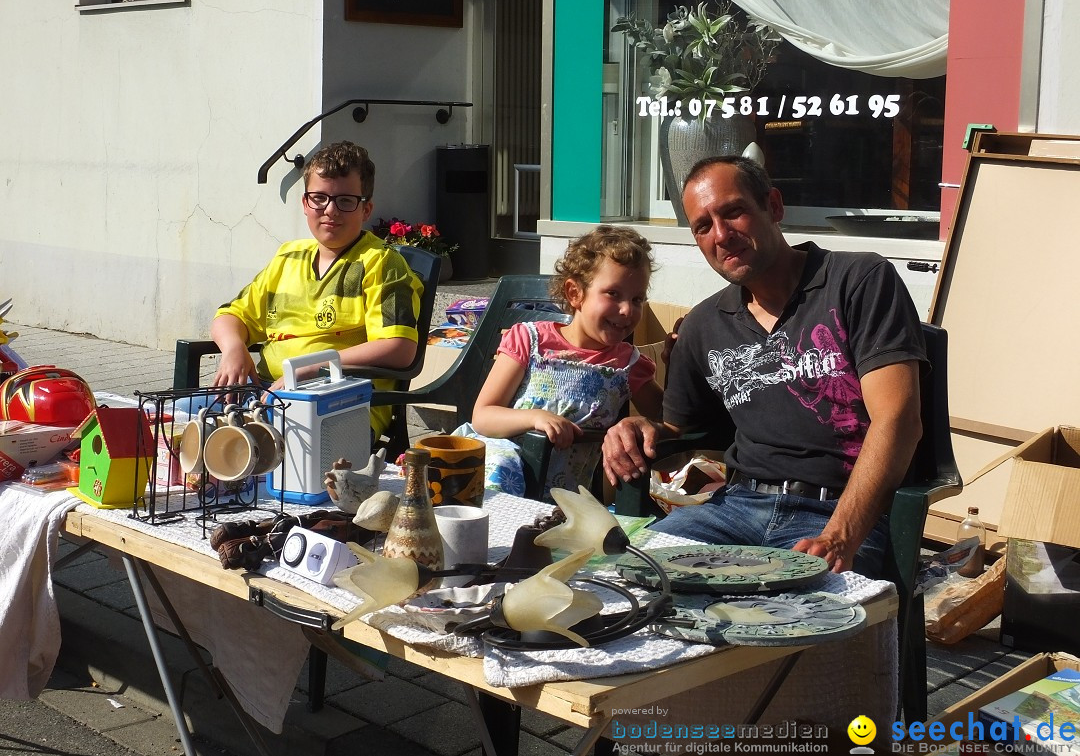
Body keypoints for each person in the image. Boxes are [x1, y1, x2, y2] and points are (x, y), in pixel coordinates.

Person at [602, 156, 925, 577]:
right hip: (734, 508)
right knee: (630, 573)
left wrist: (841, 535)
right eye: (703, 226)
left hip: (835, 511)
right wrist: (638, 428)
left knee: (805, 613)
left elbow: (898, 419)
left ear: (773, 206)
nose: (721, 235)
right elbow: (683, 430)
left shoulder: (858, 281)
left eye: (733, 212)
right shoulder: (704, 326)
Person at [211, 141, 422, 440]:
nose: (330, 211)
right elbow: (229, 316)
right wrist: (234, 348)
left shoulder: (381, 263)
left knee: (230, 445)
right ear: (305, 203)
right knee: (174, 424)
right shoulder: (288, 258)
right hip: (263, 395)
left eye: (345, 200)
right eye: (319, 198)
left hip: (337, 408)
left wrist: (307, 368)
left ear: (366, 209)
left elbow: (399, 347)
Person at [457, 225, 664, 497]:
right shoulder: (530, 340)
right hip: (499, 477)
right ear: (575, 293)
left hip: (563, 496)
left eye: (637, 299)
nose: (627, 310)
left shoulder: (628, 365)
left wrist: (679, 363)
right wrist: (535, 418)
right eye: (613, 294)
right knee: (502, 471)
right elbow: (483, 416)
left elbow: (670, 419)